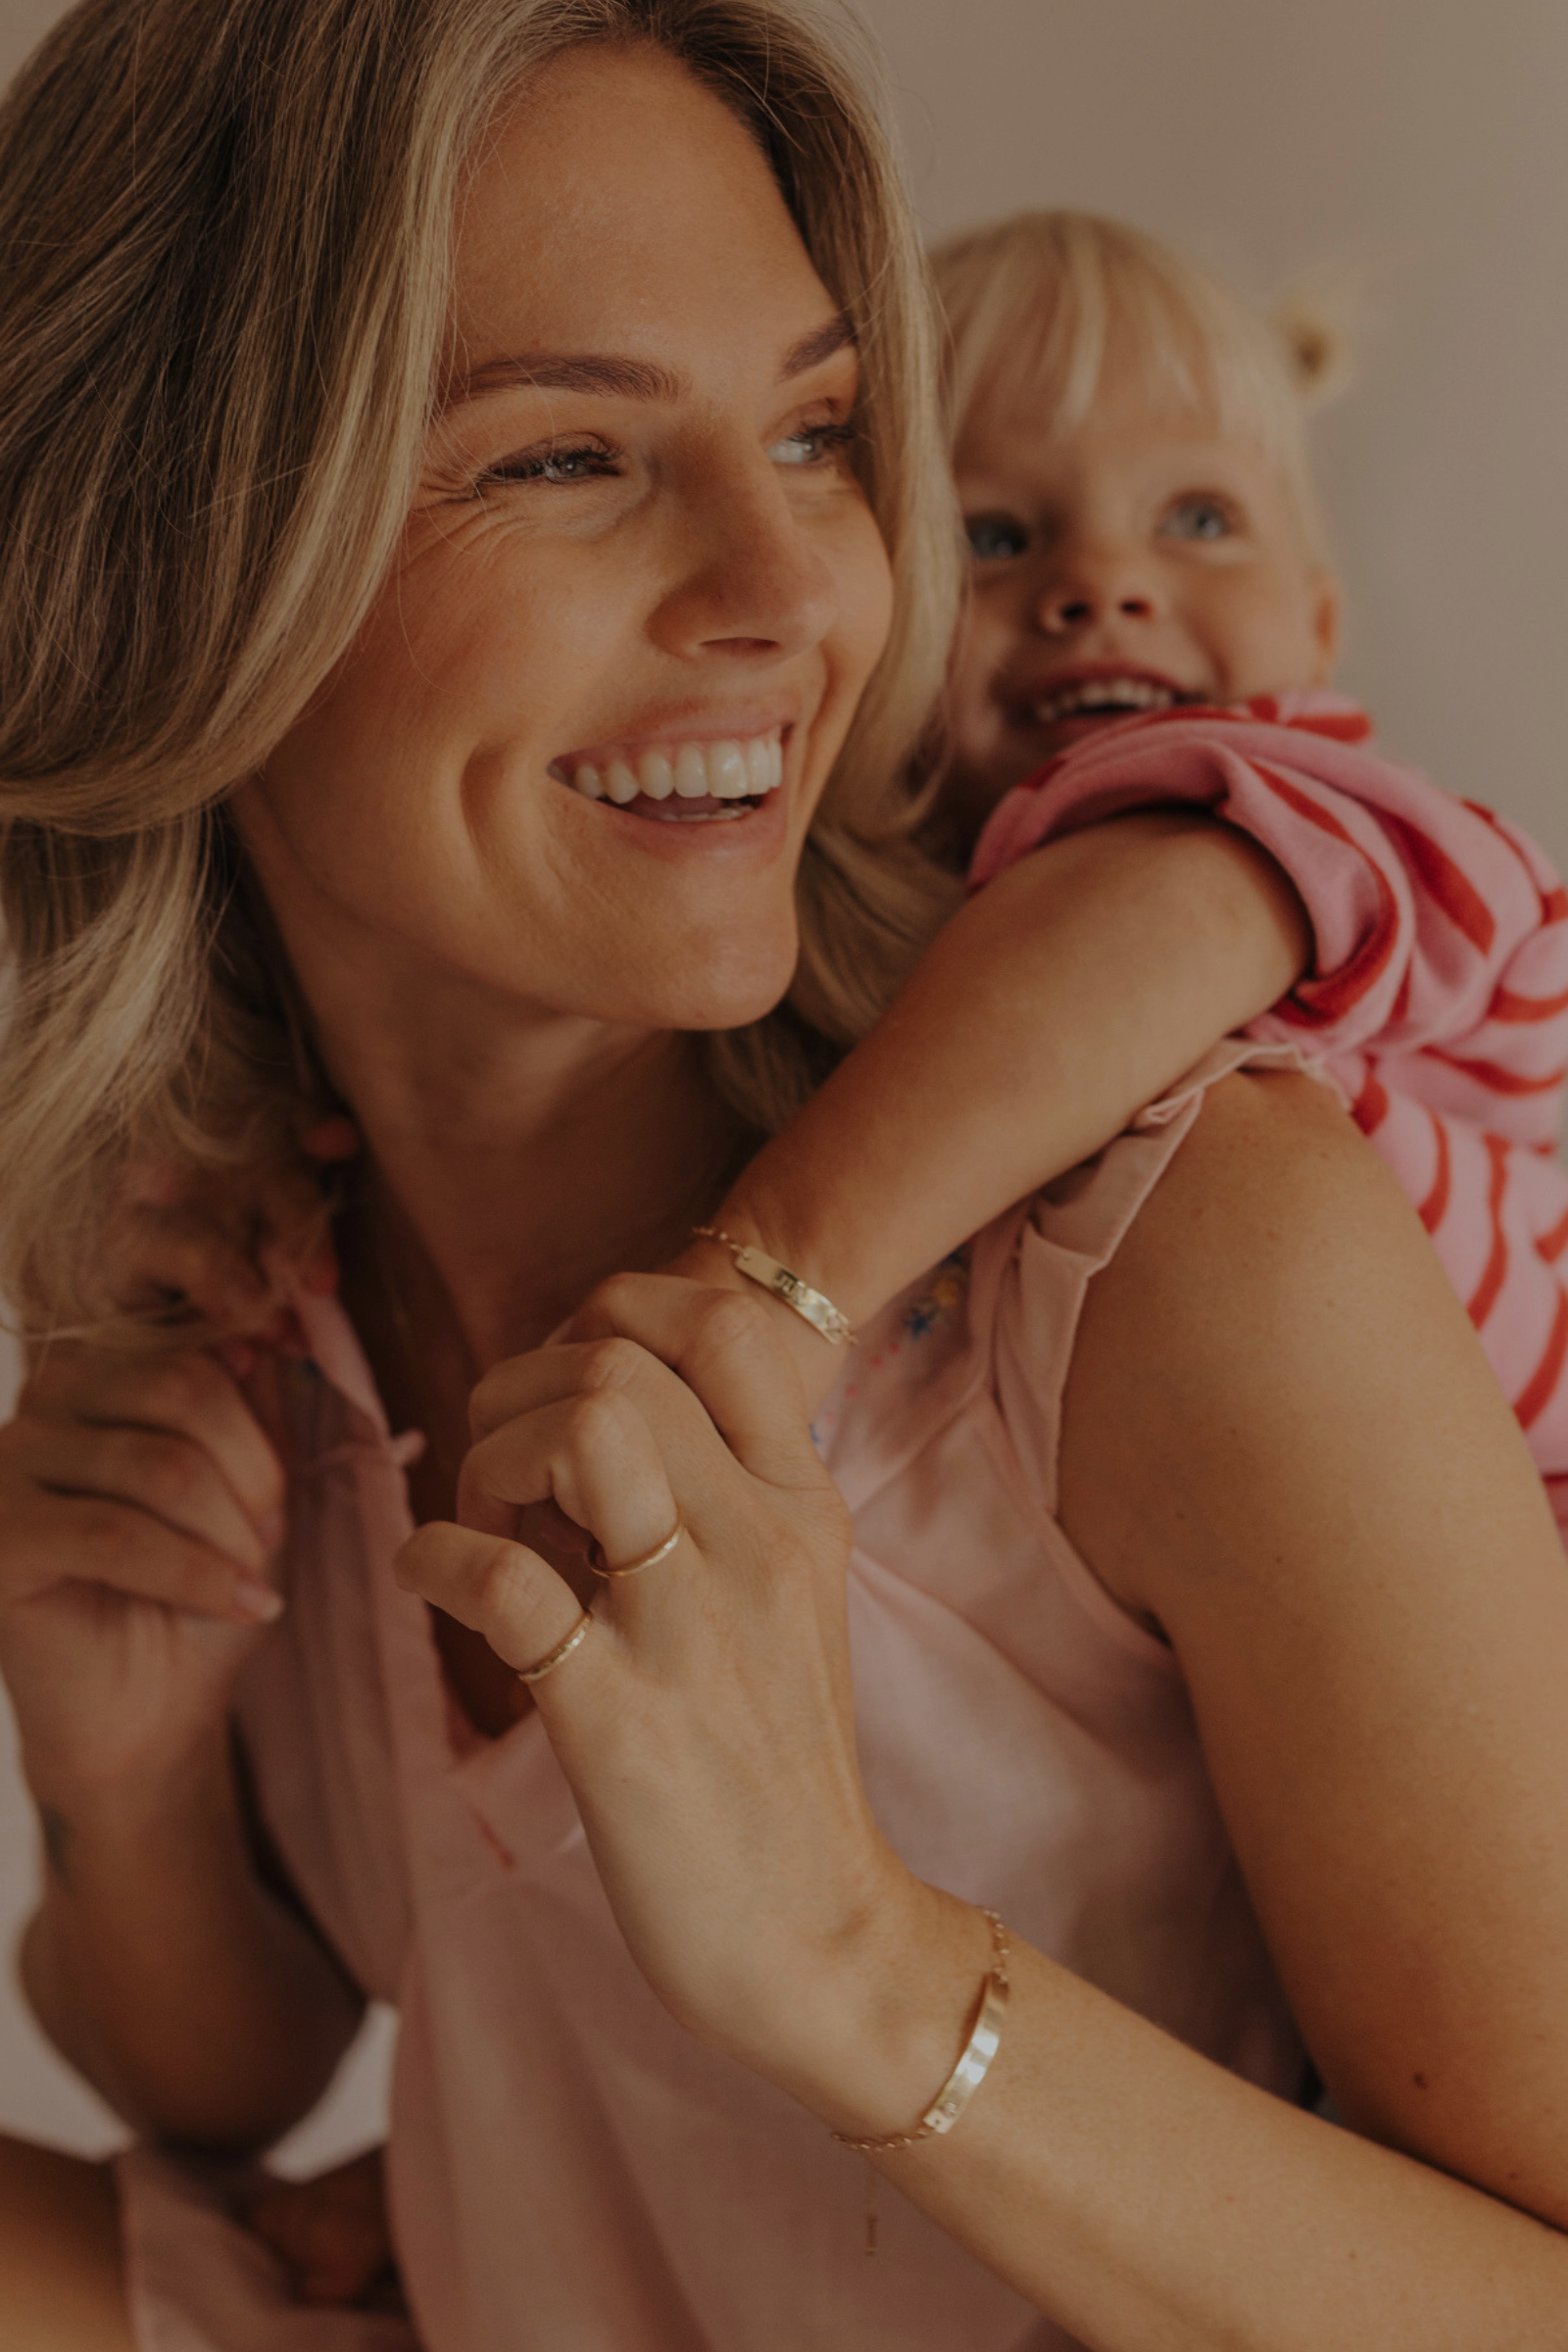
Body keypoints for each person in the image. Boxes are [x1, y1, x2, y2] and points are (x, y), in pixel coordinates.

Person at [3, 7, 1568, 2351]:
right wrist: (115, 1773)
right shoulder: (229, 1289)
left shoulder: (1174, 1250)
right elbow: (230, 2090)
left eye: (826, 434)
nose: (799, 587)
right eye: (568, 461)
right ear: (171, 558)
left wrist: (849, 1966)